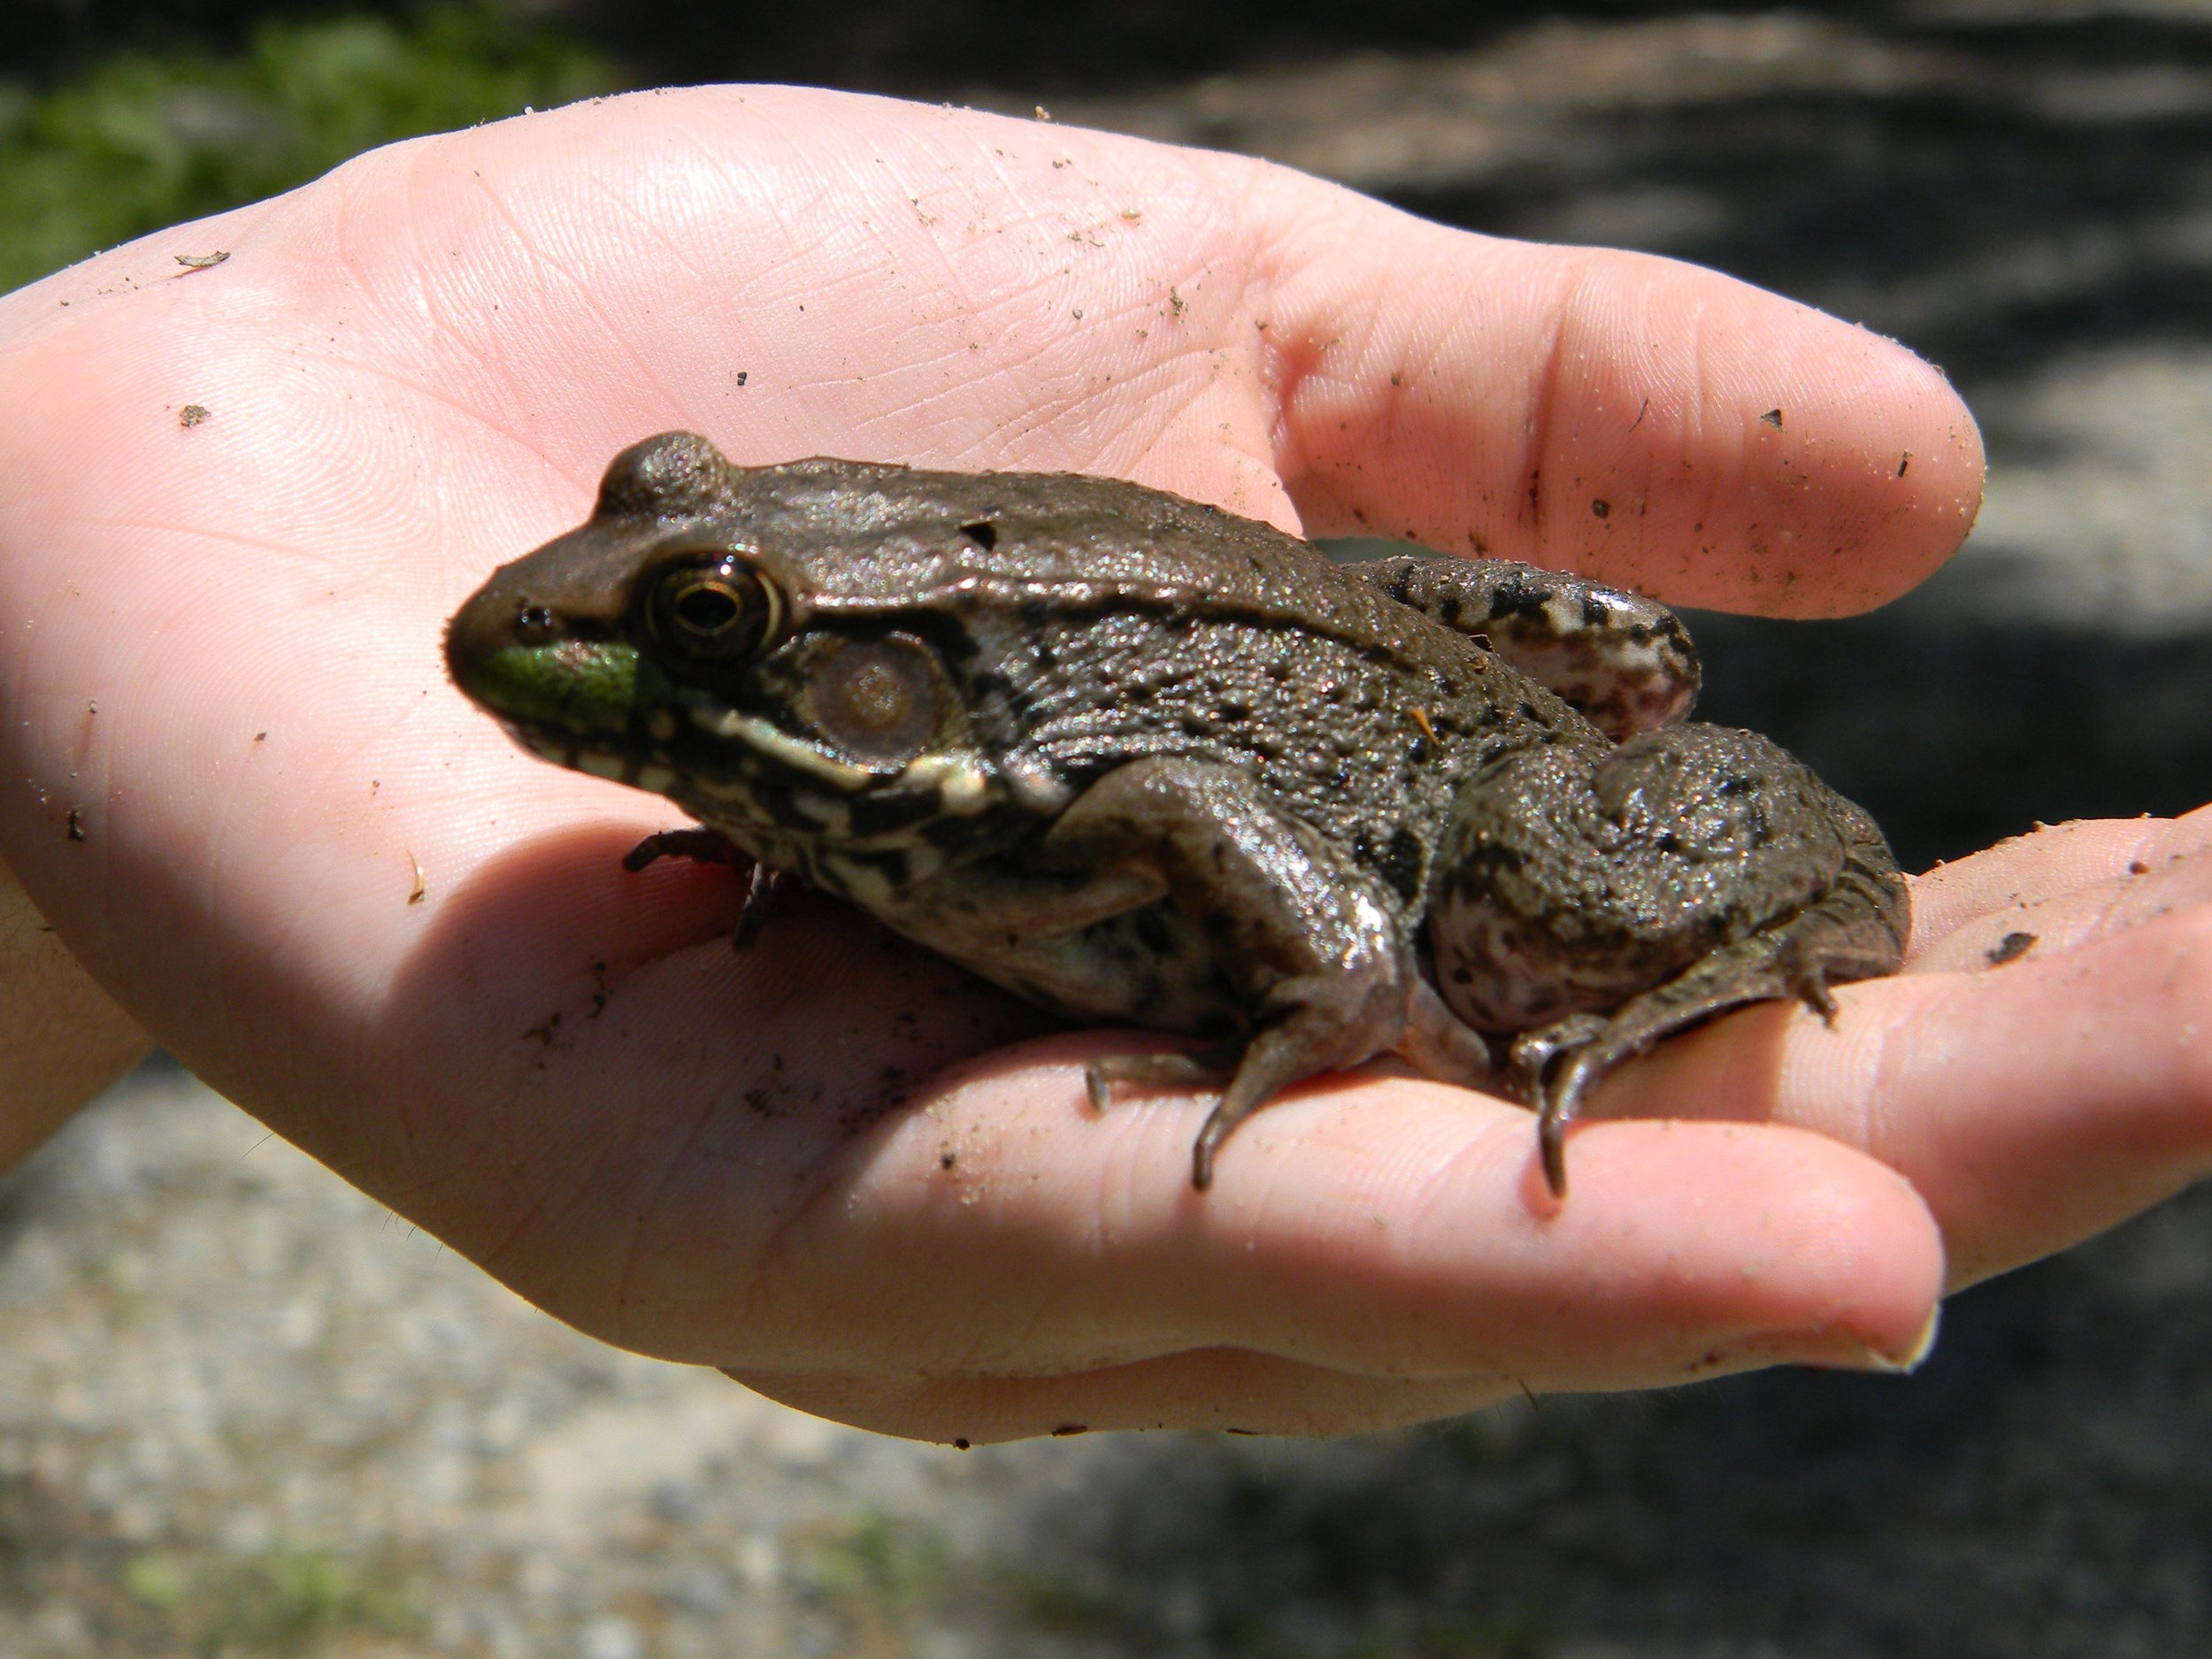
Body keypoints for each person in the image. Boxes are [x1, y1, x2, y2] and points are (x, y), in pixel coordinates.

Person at [0, 87, 2202, 1444]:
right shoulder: (853, 756)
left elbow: (1170, 804)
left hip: (1411, 780)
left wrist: (1337, 983)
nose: (556, 623)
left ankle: (1772, 912)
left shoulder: (1065, 782)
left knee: (1562, 904)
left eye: (701, 628)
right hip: (1213, 652)